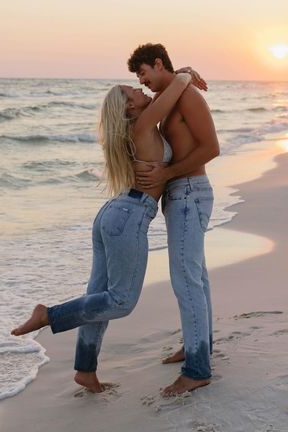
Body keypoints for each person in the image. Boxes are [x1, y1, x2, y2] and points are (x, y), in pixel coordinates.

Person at [11, 71, 197, 393]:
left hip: (113, 215)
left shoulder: (136, 129)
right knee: (121, 301)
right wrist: (185, 74)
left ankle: (85, 371)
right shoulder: (141, 125)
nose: (140, 91)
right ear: (128, 109)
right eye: (132, 91)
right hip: (129, 218)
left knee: (98, 298)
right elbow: (177, 88)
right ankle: (48, 315)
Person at [128, 43, 220, 397]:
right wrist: (181, 73)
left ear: (156, 64)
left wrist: (168, 174)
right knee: (196, 274)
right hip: (181, 195)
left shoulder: (188, 98)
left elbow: (211, 148)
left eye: (143, 74)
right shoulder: (171, 97)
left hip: (190, 192)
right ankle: (199, 344)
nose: (142, 81)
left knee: (186, 279)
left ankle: (197, 370)